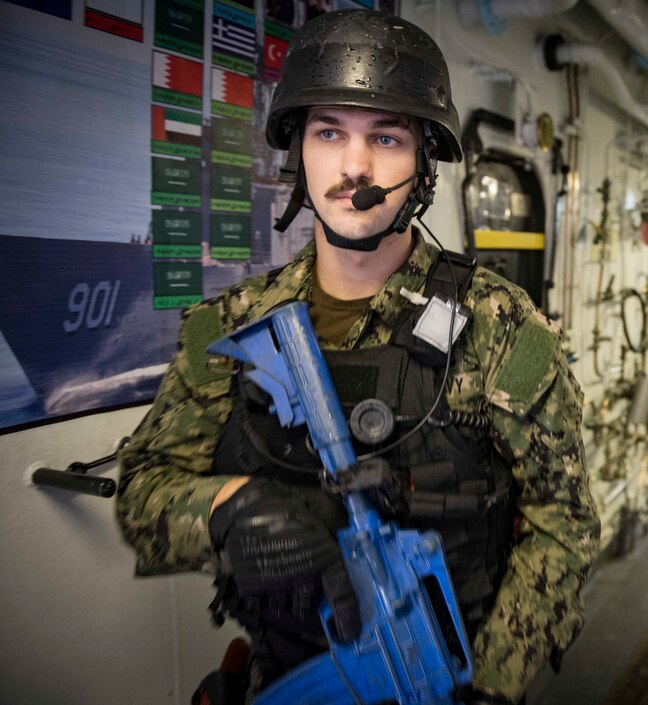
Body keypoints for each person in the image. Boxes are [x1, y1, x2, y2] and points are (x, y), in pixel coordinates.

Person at [115, 9, 600, 704]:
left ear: (423, 163)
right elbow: (142, 495)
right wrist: (228, 507)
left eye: (388, 137)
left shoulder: (496, 325)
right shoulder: (227, 328)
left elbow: (566, 522)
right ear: (298, 152)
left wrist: (495, 679)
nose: (354, 165)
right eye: (329, 132)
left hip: (447, 677)